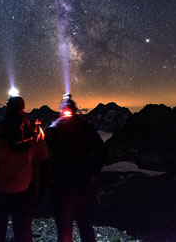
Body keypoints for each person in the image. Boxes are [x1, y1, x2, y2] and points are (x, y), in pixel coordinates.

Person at [0, 96, 49, 242]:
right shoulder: (36, 131)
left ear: (8, 107)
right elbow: (42, 162)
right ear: (23, 107)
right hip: (24, 191)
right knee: (23, 233)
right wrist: (41, 190)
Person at [45, 94, 104, 242]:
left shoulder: (53, 129)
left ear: (61, 110)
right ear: (75, 110)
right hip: (83, 184)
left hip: (61, 186)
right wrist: (93, 173)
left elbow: (42, 155)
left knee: (64, 227)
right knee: (85, 223)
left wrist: (48, 179)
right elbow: (101, 151)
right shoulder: (87, 128)